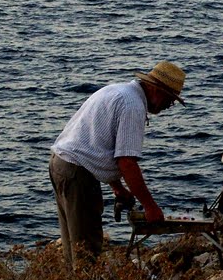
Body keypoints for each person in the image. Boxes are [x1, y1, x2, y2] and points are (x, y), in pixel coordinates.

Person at [49, 61, 185, 265]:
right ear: (156, 89)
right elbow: (127, 163)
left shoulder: (118, 91)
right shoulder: (132, 106)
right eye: (170, 98)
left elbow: (99, 146)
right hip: (77, 174)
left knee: (73, 250)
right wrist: (150, 207)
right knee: (86, 253)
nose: (170, 105)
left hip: (60, 165)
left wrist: (117, 188)